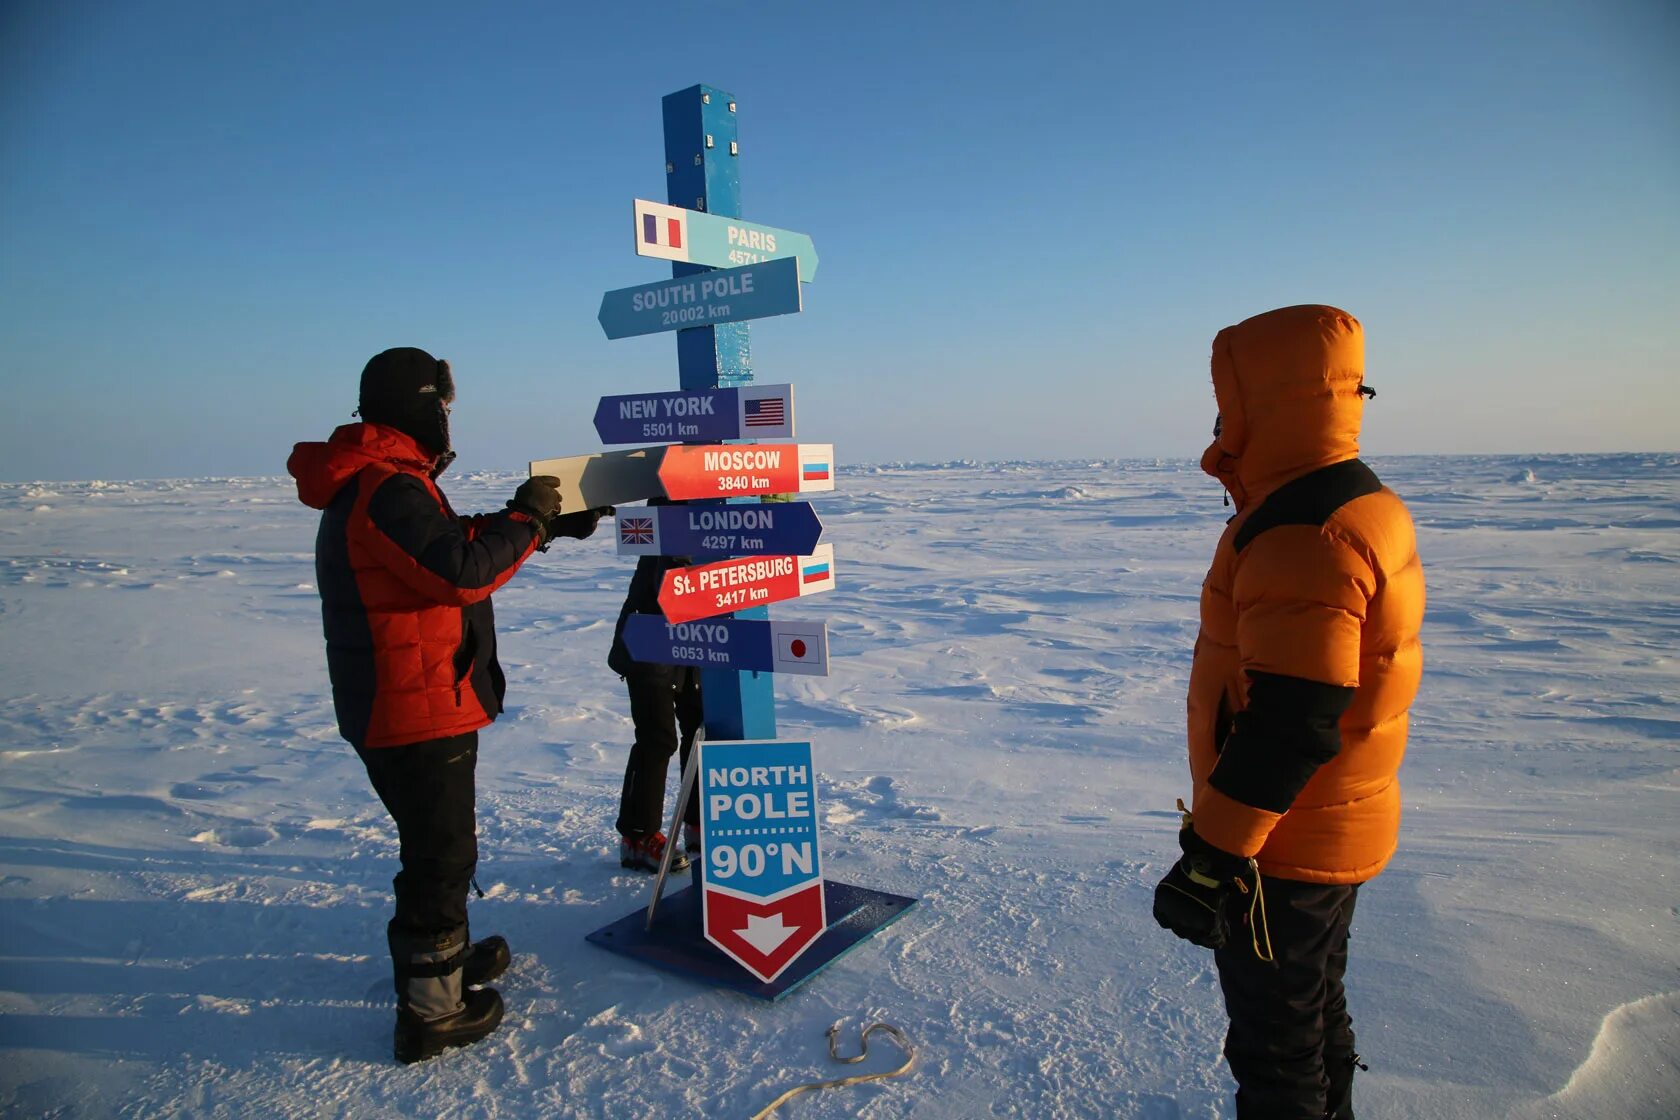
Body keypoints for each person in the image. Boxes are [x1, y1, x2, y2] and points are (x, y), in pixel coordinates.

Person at [287, 346, 608, 1064]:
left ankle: (447, 961)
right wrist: (526, 520)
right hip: (410, 703)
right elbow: (458, 570)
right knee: (439, 855)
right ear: (419, 404)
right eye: (442, 403)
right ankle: (432, 1011)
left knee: (444, 845)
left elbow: (448, 544)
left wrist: (542, 526)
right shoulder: (386, 487)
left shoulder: (388, 481)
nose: (447, 416)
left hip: (411, 694)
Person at [1152, 306, 1425, 1119]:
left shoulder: (1303, 533)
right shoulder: (1351, 499)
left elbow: (1293, 718)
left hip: (1284, 846)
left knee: (1275, 1052)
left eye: (1227, 400)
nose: (1217, 418)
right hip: (1335, 821)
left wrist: (1213, 857)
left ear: (1260, 403)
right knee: (1312, 1017)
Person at [607, 501, 703, 873]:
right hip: (650, 641)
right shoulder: (668, 512)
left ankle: (698, 821)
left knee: (700, 731)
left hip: (699, 639)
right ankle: (637, 836)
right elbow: (671, 581)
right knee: (657, 738)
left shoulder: (718, 508)